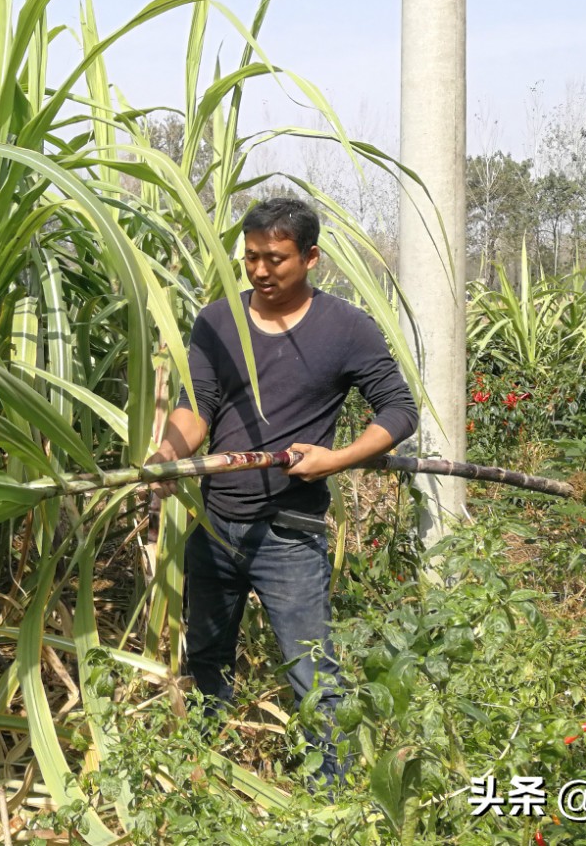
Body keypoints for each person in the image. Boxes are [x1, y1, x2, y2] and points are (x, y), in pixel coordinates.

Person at [146, 196, 418, 786]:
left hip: (291, 535)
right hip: (215, 527)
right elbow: (198, 409)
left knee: (313, 676)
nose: (262, 271)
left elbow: (399, 410)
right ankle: (204, 781)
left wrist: (336, 459)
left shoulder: (346, 328)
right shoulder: (218, 321)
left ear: (311, 258)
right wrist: (168, 456)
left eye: (277, 258)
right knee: (207, 659)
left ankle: (334, 798)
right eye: (251, 258)